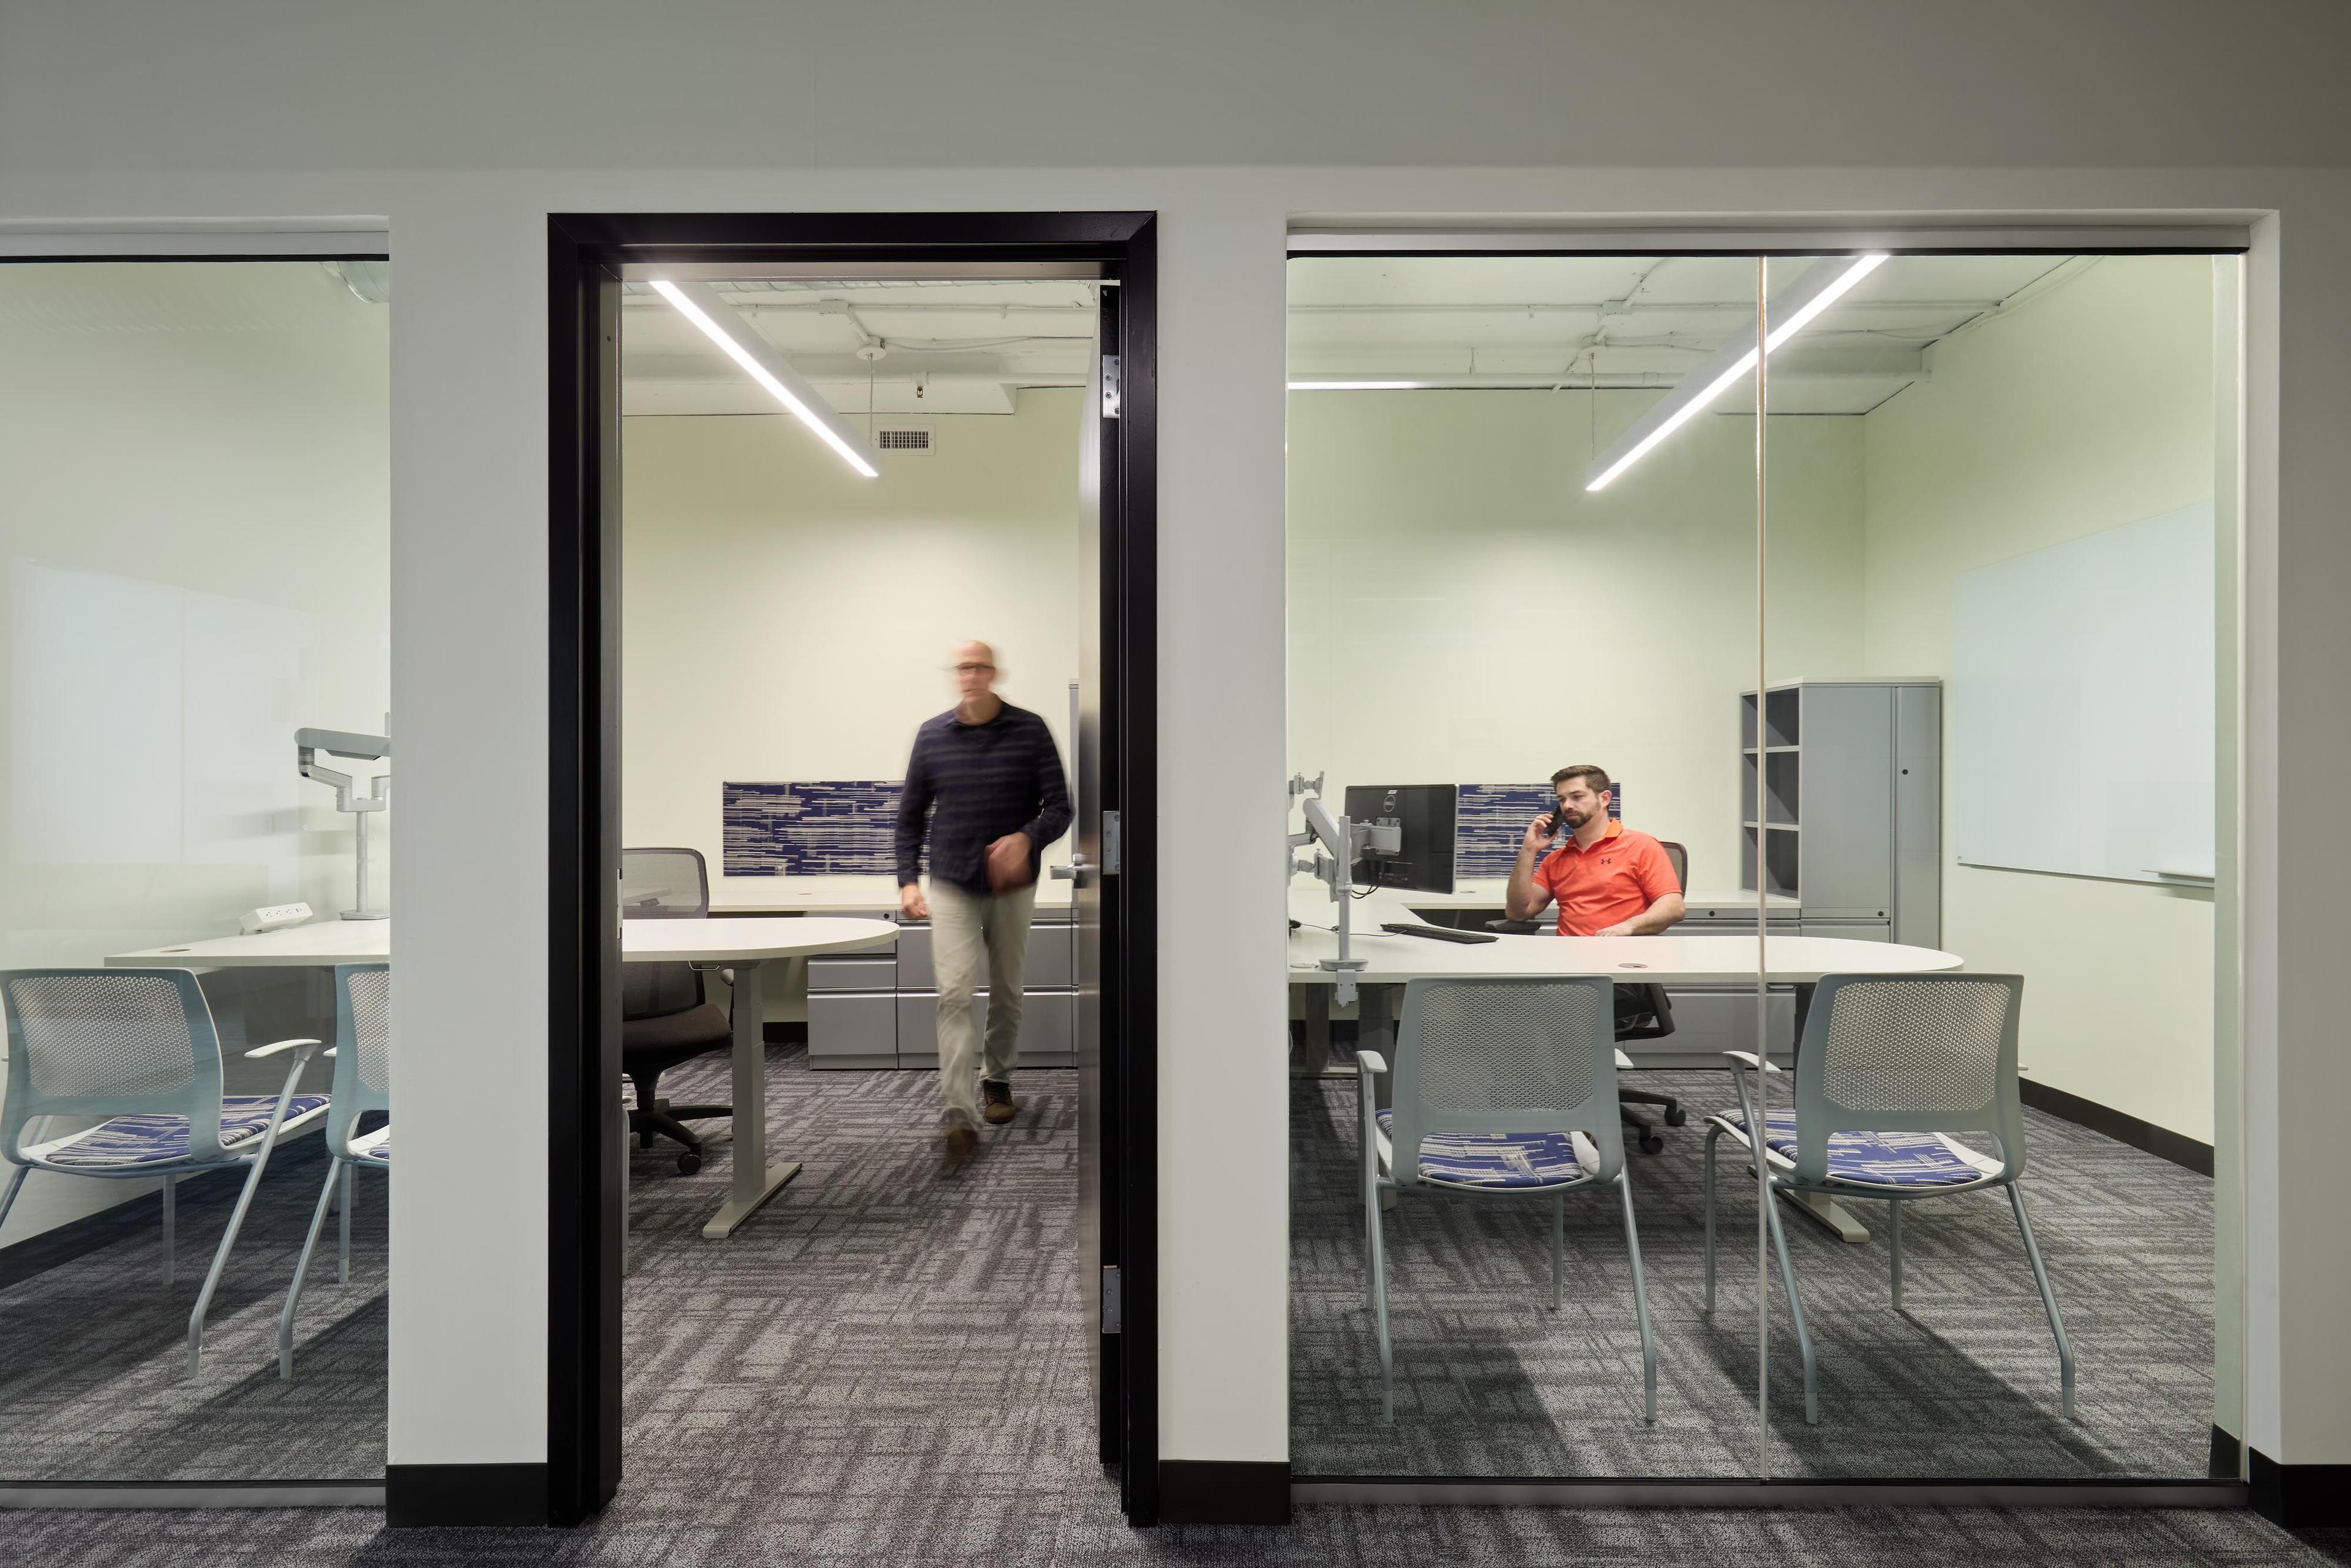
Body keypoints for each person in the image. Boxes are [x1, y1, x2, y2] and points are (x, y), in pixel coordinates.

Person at [894, 640, 1072, 1167]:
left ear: (994, 673)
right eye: (963, 667)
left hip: (1012, 887)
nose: (970, 674)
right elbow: (909, 817)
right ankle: (959, 1112)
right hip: (951, 881)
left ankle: (997, 1079)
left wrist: (1027, 837)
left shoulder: (1030, 729)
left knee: (1007, 990)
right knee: (953, 993)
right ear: (957, 675)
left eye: (979, 666)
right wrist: (908, 881)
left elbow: (1060, 805)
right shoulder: (932, 736)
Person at [1504, 763, 1685, 937]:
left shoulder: (1641, 846)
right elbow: (1518, 913)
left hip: (1621, 955)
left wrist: (1627, 927)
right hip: (1567, 960)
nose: (1567, 805)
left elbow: (1673, 907)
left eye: (1577, 797)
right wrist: (1528, 850)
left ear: (1604, 798)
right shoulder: (1556, 860)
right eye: (1562, 799)